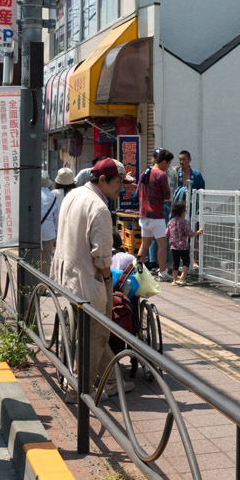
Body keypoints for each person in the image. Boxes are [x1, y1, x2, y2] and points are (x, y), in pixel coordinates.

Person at [51, 158, 132, 399]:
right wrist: (109, 281)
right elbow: (102, 256)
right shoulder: (99, 208)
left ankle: (111, 379)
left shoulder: (73, 195)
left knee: (88, 334)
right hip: (90, 280)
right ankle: (79, 389)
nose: (122, 187)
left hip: (67, 276)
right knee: (95, 336)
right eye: (119, 182)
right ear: (104, 180)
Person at [138, 148, 174, 281]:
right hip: (156, 214)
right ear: (163, 162)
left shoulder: (145, 173)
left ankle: (139, 270)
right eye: (168, 163)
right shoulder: (161, 175)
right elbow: (167, 195)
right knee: (162, 245)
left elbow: (137, 192)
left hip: (143, 214)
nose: (168, 166)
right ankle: (163, 273)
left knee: (145, 243)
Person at [40, 167, 76, 275]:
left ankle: (38, 285)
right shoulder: (75, 193)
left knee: (41, 258)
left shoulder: (54, 193)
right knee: (50, 259)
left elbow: (57, 217)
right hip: (72, 227)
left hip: (50, 230)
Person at [166, 201, 200, 286]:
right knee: (186, 262)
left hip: (173, 246)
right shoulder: (185, 222)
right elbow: (189, 234)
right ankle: (182, 277)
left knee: (175, 263)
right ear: (183, 211)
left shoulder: (170, 222)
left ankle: (174, 280)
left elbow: (167, 233)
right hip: (183, 246)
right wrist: (197, 232)